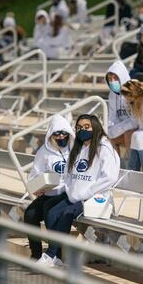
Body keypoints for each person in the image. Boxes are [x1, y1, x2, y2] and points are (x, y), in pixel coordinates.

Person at [37, 114, 119, 267]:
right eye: (79, 127)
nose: (82, 130)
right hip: (75, 195)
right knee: (50, 209)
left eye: (86, 127)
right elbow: (69, 174)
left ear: (95, 127)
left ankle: (50, 254)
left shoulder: (104, 148)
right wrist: (69, 189)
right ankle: (57, 257)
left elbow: (110, 178)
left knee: (66, 214)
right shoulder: (80, 147)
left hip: (93, 198)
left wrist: (86, 193)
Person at [23, 114, 74, 260]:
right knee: (30, 214)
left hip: (67, 194)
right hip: (49, 193)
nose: (60, 136)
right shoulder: (43, 152)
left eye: (64, 133)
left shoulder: (75, 150)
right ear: (51, 134)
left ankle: (57, 255)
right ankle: (36, 253)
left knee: (51, 212)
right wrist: (39, 186)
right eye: (56, 133)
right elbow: (33, 176)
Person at [105, 61, 139, 156]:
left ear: (122, 77)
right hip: (123, 129)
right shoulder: (112, 95)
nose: (112, 81)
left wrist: (116, 130)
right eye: (110, 79)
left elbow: (135, 121)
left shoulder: (133, 90)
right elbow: (112, 118)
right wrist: (111, 130)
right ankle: (115, 166)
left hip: (139, 127)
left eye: (115, 78)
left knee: (128, 135)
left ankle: (132, 168)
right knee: (109, 139)